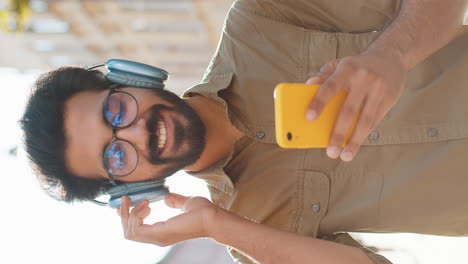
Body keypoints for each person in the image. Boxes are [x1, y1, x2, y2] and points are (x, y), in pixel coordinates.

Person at [20, 0, 468, 263]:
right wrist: (218, 226)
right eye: (116, 157)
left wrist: (392, 55)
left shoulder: (260, 18)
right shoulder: (247, 231)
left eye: (116, 111)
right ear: (127, 193)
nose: (136, 134)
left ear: (130, 78)